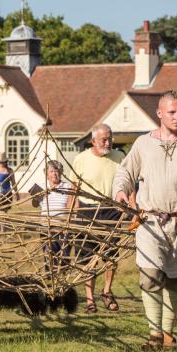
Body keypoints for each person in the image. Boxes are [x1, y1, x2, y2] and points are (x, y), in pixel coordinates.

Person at [114, 91, 177, 349]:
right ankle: (154, 334)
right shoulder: (143, 144)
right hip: (150, 222)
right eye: (171, 112)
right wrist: (121, 191)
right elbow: (125, 172)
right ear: (159, 114)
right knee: (150, 275)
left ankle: (167, 334)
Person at [71, 123, 124, 313]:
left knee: (111, 256)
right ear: (93, 141)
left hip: (111, 210)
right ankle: (89, 299)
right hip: (87, 211)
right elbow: (74, 190)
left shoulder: (119, 157)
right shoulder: (81, 159)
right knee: (87, 258)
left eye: (110, 138)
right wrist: (70, 215)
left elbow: (127, 185)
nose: (107, 142)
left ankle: (107, 292)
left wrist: (131, 207)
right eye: (103, 139)